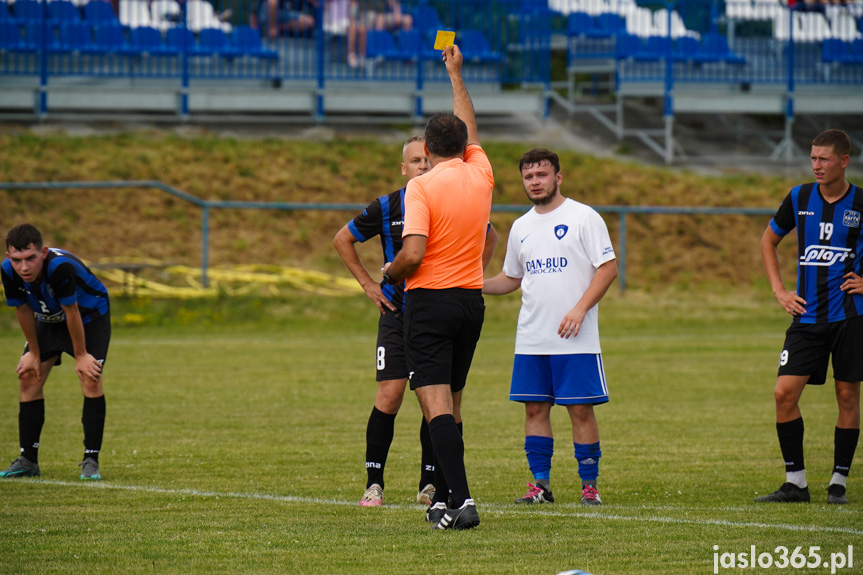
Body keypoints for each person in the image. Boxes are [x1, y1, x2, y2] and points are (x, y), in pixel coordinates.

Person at [382, 43, 494, 530]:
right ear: (465, 145)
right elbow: (468, 124)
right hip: (472, 302)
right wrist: (456, 75)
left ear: (425, 152)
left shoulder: (420, 188)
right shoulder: (482, 173)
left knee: (435, 405)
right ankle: (444, 498)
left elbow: (413, 254)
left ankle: (462, 502)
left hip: (429, 303)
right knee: (454, 401)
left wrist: (388, 273)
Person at [483, 148, 618, 507]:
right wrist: (471, 283)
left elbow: (608, 269)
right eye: (528, 177)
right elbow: (511, 278)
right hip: (531, 338)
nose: (535, 182)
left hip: (576, 338)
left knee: (580, 410)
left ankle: (589, 486)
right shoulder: (521, 226)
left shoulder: (584, 217)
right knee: (534, 410)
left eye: (542, 175)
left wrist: (579, 309)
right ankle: (540, 486)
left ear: (558, 177)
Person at [756, 128, 862, 505]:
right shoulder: (799, 197)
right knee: (784, 393)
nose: (816, 165)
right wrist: (780, 291)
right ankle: (795, 483)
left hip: (851, 318)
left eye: (824, 159)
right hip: (807, 318)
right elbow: (768, 241)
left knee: (847, 395)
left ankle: (839, 482)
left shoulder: (861, 203)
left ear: (844, 161)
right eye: (813, 158)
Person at [332, 136, 437, 508]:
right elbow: (342, 239)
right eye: (415, 161)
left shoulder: (449, 199)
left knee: (434, 400)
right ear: (404, 168)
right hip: (395, 313)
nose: (422, 166)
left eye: (427, 160)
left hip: (435, 314)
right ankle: (374, 483)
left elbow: (486, 235)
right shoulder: (387, 205)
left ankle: (430, 482)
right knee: (389, 396)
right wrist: (368, 285)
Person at [0, 224, 111, 481]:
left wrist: (81, 355)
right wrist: (34, 353)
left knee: (90, 378)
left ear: (43, 252)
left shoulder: (59, 268)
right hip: (49, 317)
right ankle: (28, 460)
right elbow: (24, 311)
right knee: (28, 375)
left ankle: (91, 460)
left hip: (89, 317)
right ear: (9, 258)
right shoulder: (8, 271)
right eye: (17, 260)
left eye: (30, 258)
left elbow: (72, 311)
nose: (24, 267)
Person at [346, 0, 412, 68]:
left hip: (383, 15)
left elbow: (392, 3)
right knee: (379, 20)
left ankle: (407, 55)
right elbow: (353, 4)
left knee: (408, 20)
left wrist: (397, 12)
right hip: (366, 14)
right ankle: (378, 54)